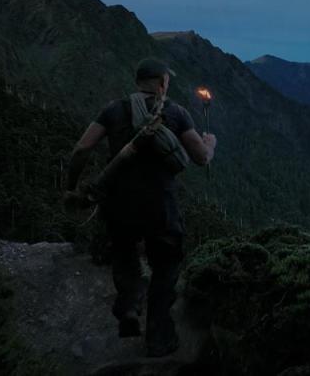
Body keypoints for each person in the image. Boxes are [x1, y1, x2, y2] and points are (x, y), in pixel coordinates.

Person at [65, 58, 216, 357]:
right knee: (166, 264)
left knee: (124, 254)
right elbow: (200, 157)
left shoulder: (114, 110)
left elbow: (82, 148)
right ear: (162, 83)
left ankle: (130, 306)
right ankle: (158, 336)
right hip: (161, 205)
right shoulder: (176, 113)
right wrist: (210, 142)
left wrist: (71, 186)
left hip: (119, 203)